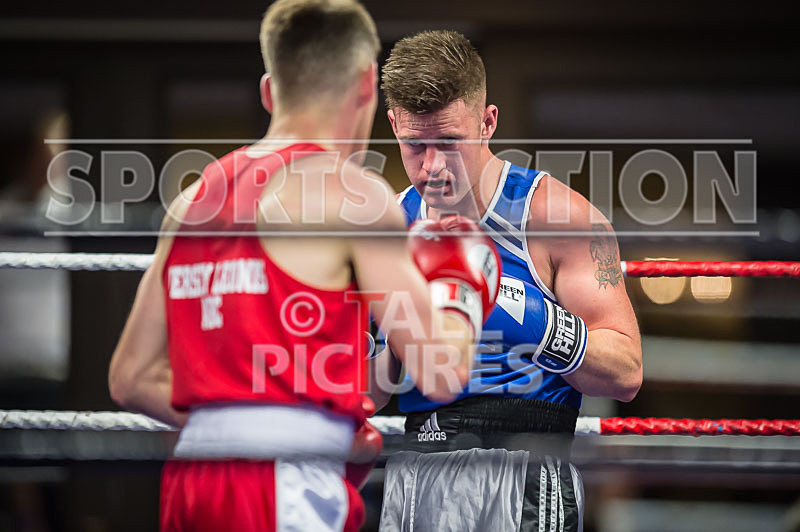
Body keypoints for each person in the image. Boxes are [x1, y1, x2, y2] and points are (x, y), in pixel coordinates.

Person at [107, 4, 500, 531]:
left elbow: (130, 378)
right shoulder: (353, 195)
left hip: (192, 477)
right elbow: (442, 371)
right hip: (281, 486)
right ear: (366, 86)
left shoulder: (192, 201)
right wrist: (460, 287)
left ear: (270, 91)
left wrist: (249, 427)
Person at [374, 30, 643, 531]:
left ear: (487, 122)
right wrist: (387, 339)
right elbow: (367, 396)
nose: (432, 167)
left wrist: (527, 316)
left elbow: (625, 372)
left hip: (525, 471)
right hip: (417, 473)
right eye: (415, 145)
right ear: (393, 125)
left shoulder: (556, 217)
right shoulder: (387, 229)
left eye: (450, 142)